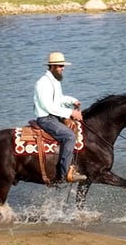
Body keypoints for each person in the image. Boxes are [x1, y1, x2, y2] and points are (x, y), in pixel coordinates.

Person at [33, 51, 87, 185]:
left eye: (63, 66)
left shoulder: (55, 81)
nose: (63, 68)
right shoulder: (43, 83)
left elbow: (59, 99)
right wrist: (71, 113)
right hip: (46, 119)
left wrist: (72, 101)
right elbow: (48, 106)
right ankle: (65, 172)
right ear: (52, 66)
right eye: (60, 66)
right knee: (69, 136)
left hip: (54, 116)